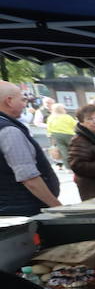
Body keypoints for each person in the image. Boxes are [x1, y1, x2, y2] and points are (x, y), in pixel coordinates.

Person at [0, 81, 61, 213]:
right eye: (22, 99)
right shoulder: (9, 131)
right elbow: (28, 178)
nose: (25, 104)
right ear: (9, 101)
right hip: (22, 210)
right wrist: (57, 207)